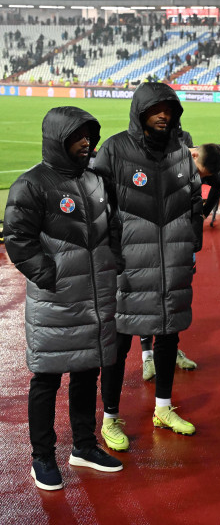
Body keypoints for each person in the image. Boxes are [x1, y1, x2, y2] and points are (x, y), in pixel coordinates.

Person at [4, 107, 123, 490]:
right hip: (55, 300)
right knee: (46, 378)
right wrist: (48, 276)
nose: (86, 142)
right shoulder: (32, 184)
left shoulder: (95, 179)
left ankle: (84, 447)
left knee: (87, 371)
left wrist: (113, 260)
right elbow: (17, 238)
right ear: (58, 139)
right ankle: (42, 457)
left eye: (88, 135)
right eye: (77, 136)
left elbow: (113, 224)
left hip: (95, 297)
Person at [97, 82, 203, 449]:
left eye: (169, 109)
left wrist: (191, 245)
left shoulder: (180, 152)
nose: (163, 115)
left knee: (169, 334)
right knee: (118, 343)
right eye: (155, 109)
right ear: (139, 112)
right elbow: (97, 205)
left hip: (173, 262)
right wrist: (111, 251)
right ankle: (110, 418)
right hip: (128, 265)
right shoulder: (114, 150)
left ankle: (163, 408)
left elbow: (195, 199)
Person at [138, 142, 220, 380]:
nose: (199, 179)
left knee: (175, 297)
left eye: (203, 176)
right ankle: (147, 356)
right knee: (149, 297)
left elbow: (211, 196)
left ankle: (170, 349)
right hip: (152, 243)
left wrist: (198, 218)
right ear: (193, 155)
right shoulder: (159, 165)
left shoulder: (207, 175)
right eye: (199, 173)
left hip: (182, 246)